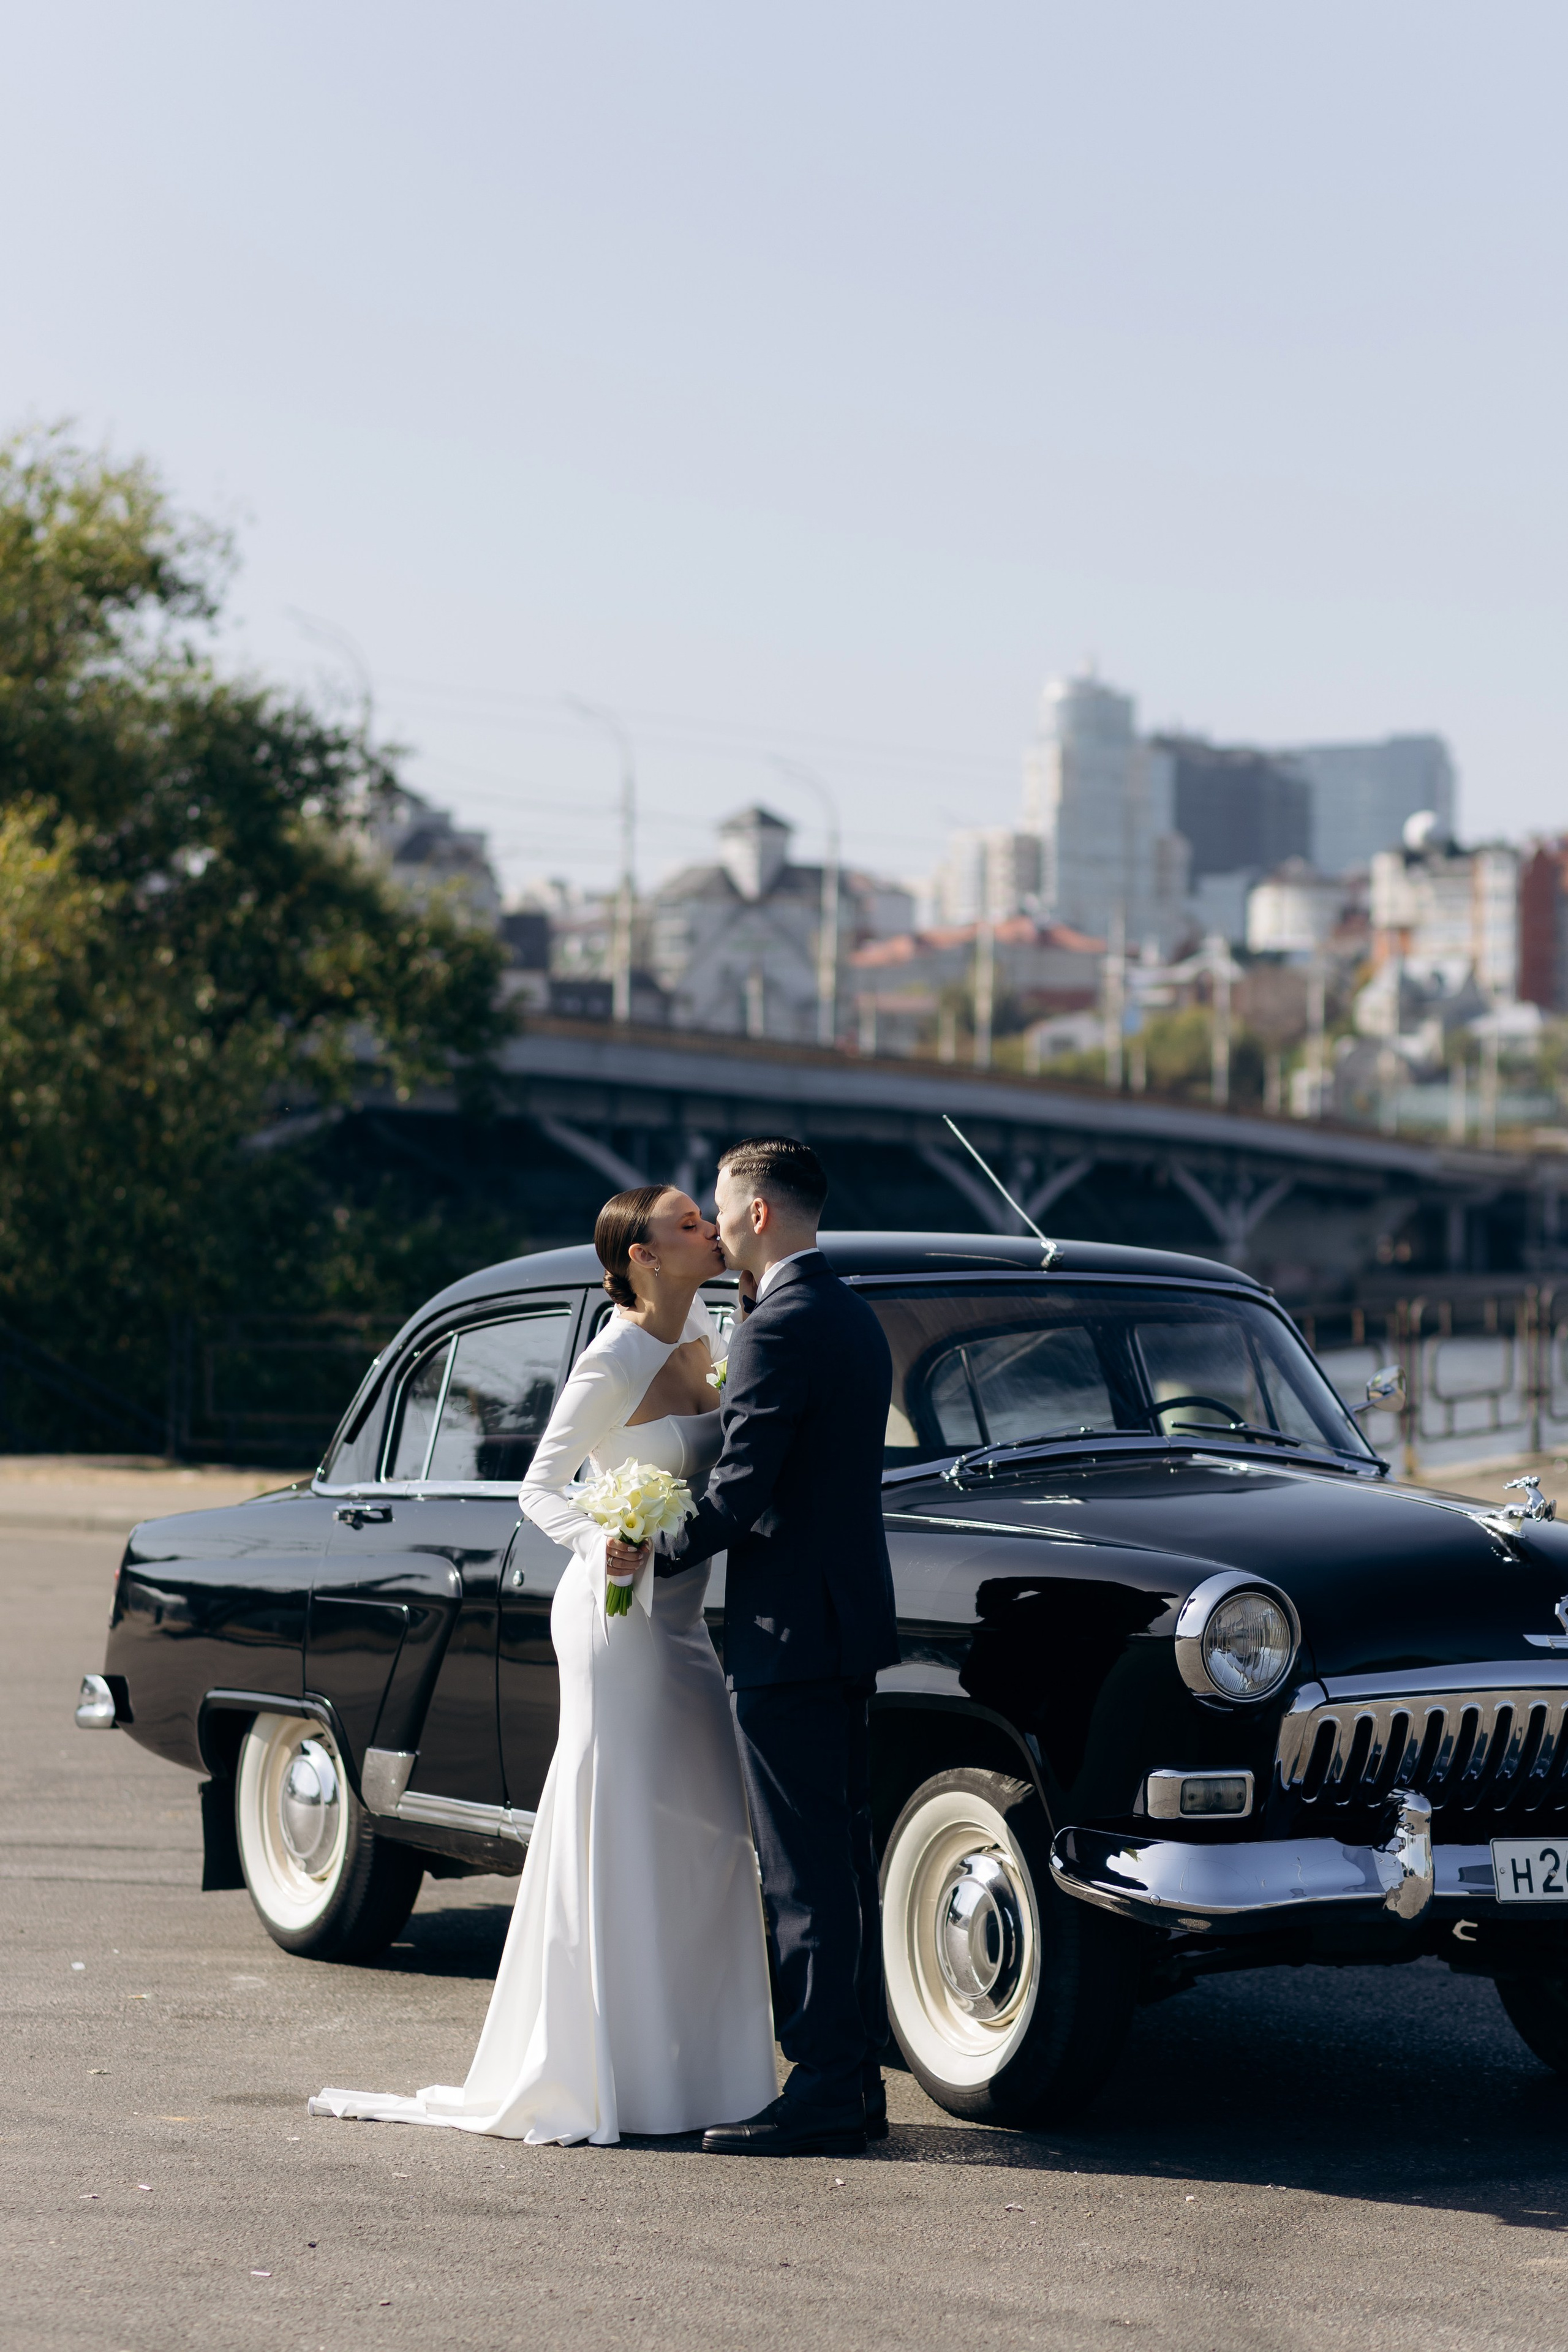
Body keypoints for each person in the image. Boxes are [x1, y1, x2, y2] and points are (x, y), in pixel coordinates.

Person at [309, 1185, 777, 2146]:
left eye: (706, 1217)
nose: (709, 1230)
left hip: (683, 1622)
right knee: (622, 1820)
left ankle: (701, 2076)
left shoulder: (715, 1337)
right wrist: (603, 1536)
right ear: (643, 1257)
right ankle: (613, 2074)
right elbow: (538, 1487)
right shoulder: (613, 1355)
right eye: (688, 1223)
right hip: (614, 1618)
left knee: (705, 1830)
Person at [617, 1134, 899, 2158]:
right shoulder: (854, 1312)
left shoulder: (782, 1325)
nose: (718, 1225)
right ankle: (853, 2076)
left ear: (762, 1215)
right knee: (842, 1862)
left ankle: (825, 2088)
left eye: (726, 1209)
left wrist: (654, 1547)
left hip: (789, 1631)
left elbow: (742, 1488)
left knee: (799, 1872)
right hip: (848, 1619)